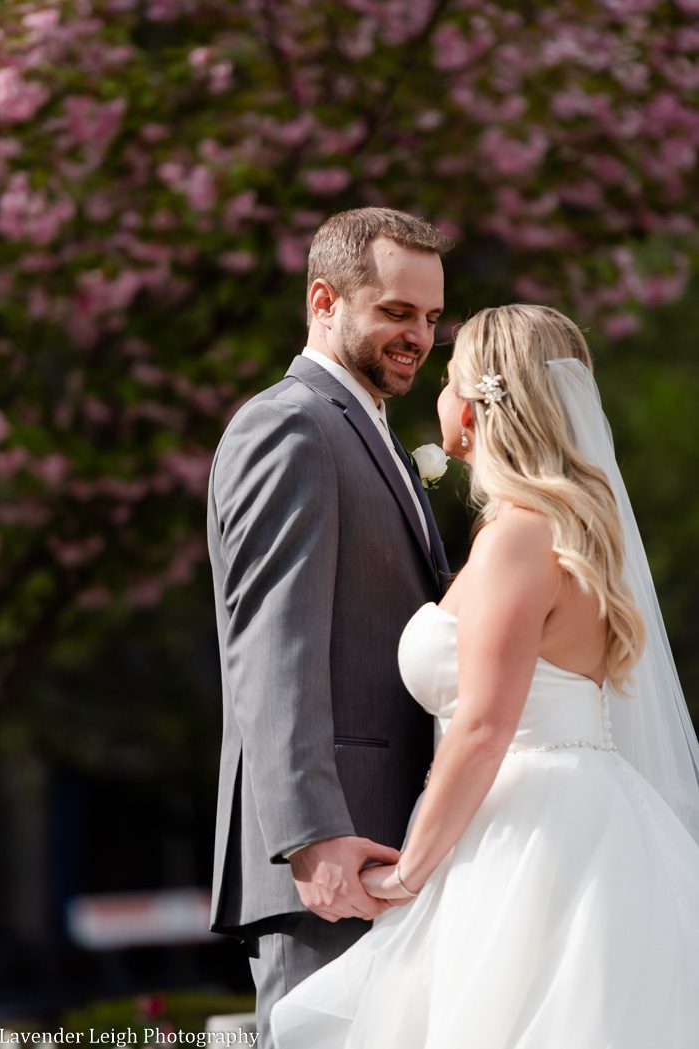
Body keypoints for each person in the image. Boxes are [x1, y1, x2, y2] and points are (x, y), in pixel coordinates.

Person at [271, 304, 699, 1048]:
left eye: (446, 376)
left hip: (528, 833)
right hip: (578, 814)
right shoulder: (566, 530)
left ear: (473, 403)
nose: (438, 393)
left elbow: (483, 725)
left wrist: (409, 876)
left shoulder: (519, 536)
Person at [207, 207, 454, 1047]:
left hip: (390, 845)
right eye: (395, 311)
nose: (418, 336)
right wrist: (310, 835)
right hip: (329, 860)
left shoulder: (369, 428)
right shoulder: (292, 422)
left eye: (428, 318)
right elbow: (273, 644)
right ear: (324, 300)